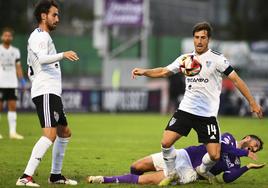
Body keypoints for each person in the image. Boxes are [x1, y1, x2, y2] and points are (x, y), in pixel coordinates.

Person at [131, 22, 263, 185]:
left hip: (207, 117)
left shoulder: (217, 59)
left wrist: (252, 102)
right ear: (193, 39)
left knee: (214, 155)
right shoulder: (186, 59)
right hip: (186, 111)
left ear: (208, 40)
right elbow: (164, 71)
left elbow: (236, 80)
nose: (199, 41)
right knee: (166, 142)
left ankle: (202, 170)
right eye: (196, 37)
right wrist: (145, 71)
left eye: (203, 38)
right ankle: (171, 173)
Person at [16, 0, 79, 187]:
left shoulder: (44, 36)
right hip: (44, 91)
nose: (57, 19)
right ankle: (25, 177)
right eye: (54, 15)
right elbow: (42, 59)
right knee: (50, 134)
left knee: (64, 133)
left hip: (52, 92)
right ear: (43, 16)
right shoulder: (39, 35)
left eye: (58, 15)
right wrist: (63, 54)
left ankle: (55, 175)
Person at [87, 133, 265, 185]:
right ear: (248, 138)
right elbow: (222, 147)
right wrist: (243, 153)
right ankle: (130, 178)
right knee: (136, 166)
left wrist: (246, 167)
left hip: (188, 171)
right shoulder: (228, 139)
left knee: (144, 180)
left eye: (256, 149)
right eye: (254, 144)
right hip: (184, 154)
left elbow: (227, 178)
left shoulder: (236, 163)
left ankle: (103, 179)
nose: (253, 148)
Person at [0, 27, 26, 140]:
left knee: (12, 107)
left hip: (12, 83)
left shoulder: (15, 51)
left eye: (9, 35)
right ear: (2, 37)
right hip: (1, 83)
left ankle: (12, 132)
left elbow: (18, 67)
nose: (7, 37)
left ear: (12, 38)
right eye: (5, 35)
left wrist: (22, 81)